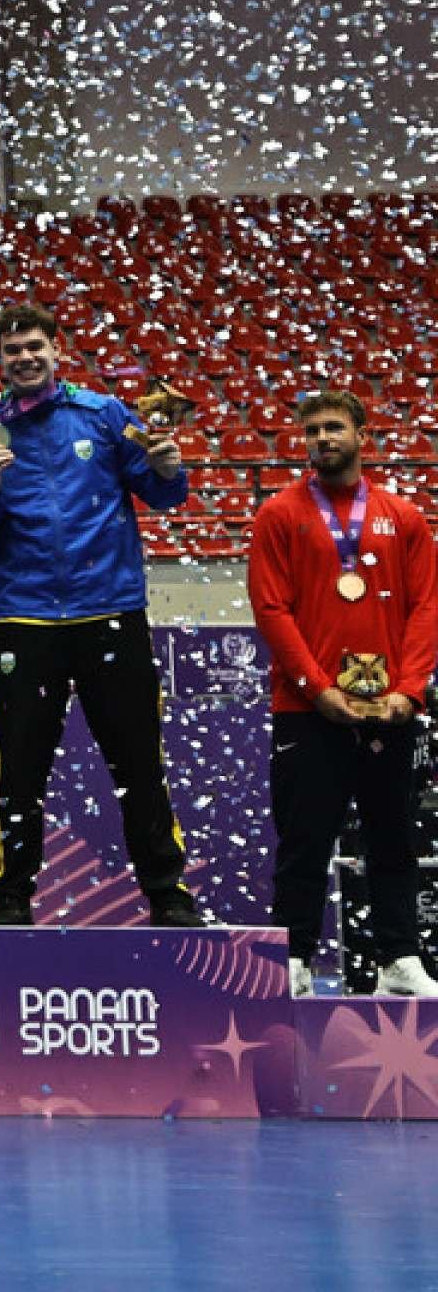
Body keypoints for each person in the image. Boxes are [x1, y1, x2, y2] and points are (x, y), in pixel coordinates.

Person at [0, 302, 202, 926]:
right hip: (27, 617)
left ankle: (166, 892)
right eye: (13, 350)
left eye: (34, 346)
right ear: (0, 359)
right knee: (20, 768)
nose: (25, 358)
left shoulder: (106, 414)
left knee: (139, 759)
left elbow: (163, 494)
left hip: (110, 612)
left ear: (55, 349)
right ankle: (12, 895)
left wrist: (170, 468)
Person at [250, 389, 438, 995]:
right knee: (304, 840)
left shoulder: (403, 517)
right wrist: (317, 687)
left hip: (390, 707)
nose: (322, 439)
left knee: (393, 838)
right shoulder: (279, 514)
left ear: (363, 434)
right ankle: (296, 957)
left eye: (334, 427)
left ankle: (399, 960)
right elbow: (271, 609)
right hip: (306, 710)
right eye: (312, 431)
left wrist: (408, 691)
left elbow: (426, 608)